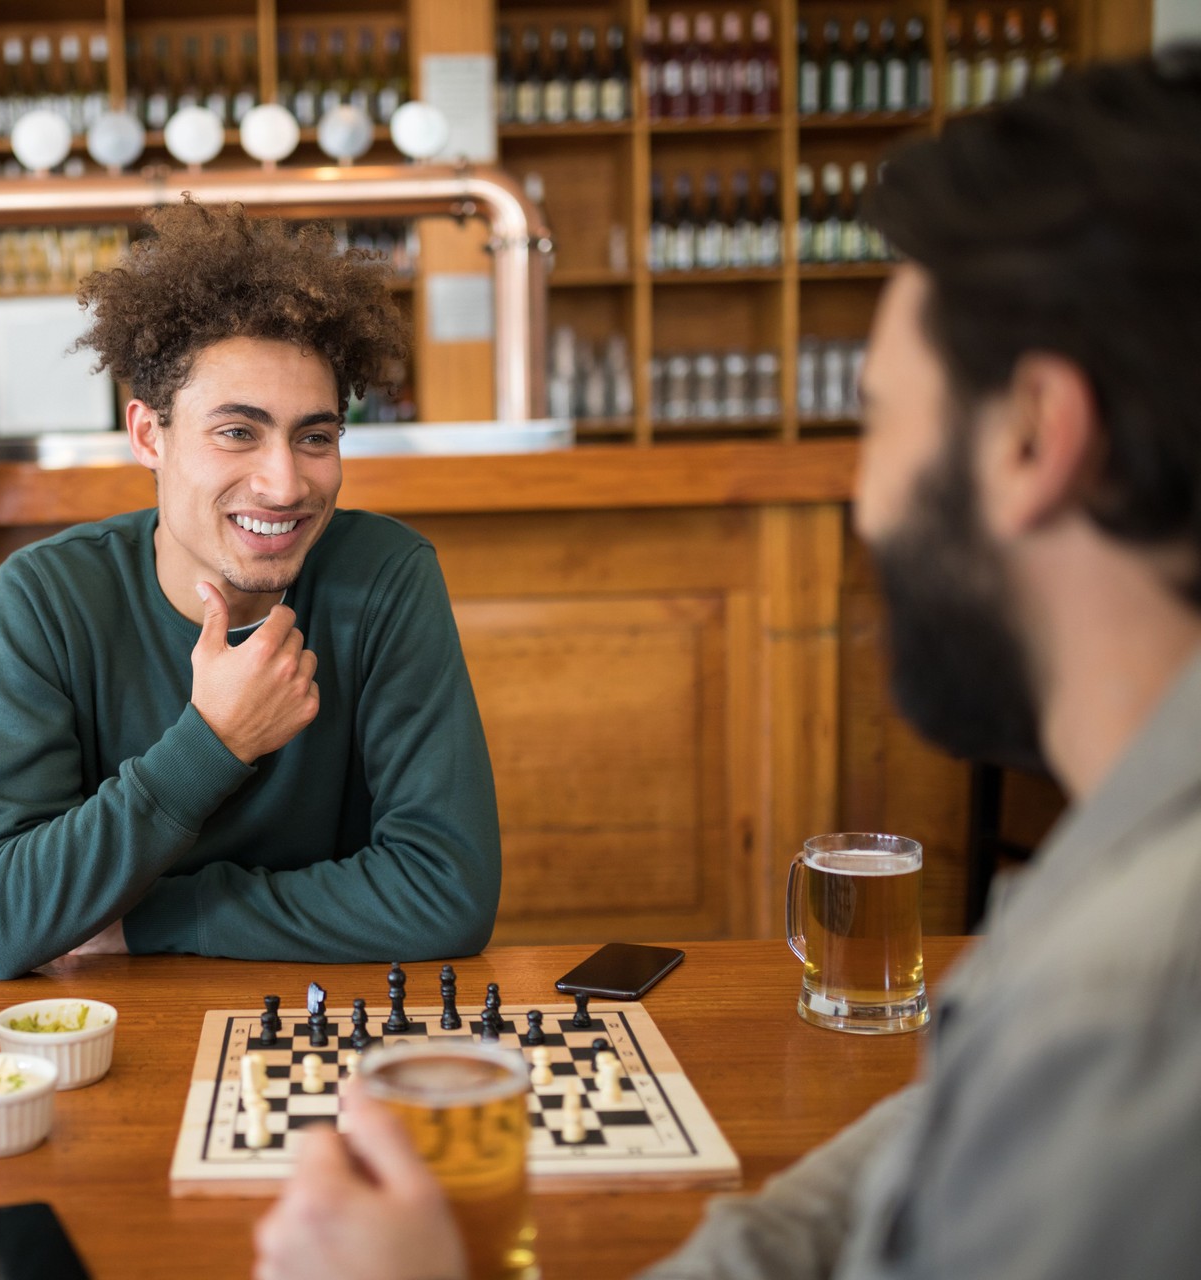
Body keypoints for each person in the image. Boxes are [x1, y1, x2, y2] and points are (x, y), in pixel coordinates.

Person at [253, 51, 1201, 1280]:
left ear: (1034, 437)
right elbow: (925, 1150)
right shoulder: (1120, 863)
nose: (865, 501)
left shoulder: (1128, 1003)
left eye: (878, 418)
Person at [0, 200, 502, 980]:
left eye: (315, 436)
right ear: (149, 435)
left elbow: (449, 892)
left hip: (328, 1035)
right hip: (113, 1039)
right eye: (237, 432)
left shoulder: (383, 576)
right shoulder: (49, 599)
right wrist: (213, 741)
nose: (284, 483)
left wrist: (155, 919)